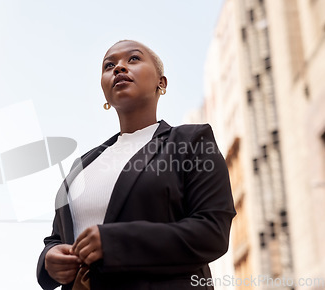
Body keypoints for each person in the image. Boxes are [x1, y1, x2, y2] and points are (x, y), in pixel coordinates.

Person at [36, 40, 236, 290]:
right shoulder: (84, 164)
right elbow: (57, 237)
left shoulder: (191, 142)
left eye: (133, 59)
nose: (119, 68)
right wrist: (49, 259)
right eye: (109, 65)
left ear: (161, 83)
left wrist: (115, 242)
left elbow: (212, 232)